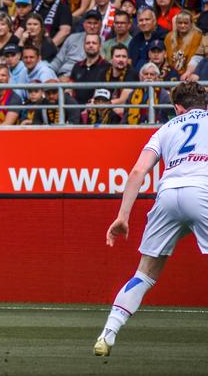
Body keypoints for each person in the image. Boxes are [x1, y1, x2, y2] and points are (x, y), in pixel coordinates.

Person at [94, 81, 208, 357]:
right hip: (203, 190)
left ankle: (106, 334)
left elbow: (137, 173)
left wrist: (122, 217)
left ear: (177, 107)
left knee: (144, 273)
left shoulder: (165, 129)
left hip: (167, 195)